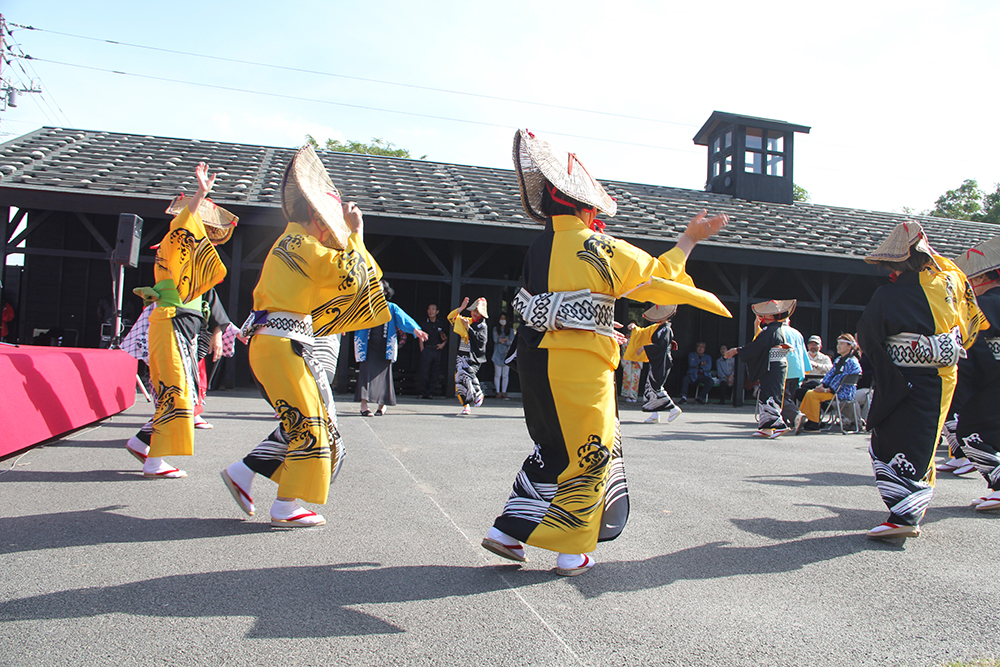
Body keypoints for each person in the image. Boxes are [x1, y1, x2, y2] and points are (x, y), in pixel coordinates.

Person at [482, 129, 730, 576]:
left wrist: (592, 317)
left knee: (553, 447)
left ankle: (508, 531)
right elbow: (655, 279)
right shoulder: (596, 246)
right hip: (577, 365)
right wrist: (689, 239)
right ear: (586, 206)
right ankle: (572, 549)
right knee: (591, 448)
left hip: (536, 358)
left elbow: (555, 302)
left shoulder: (539, 246)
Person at [221, 145, 389, 528]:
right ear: (316, 216)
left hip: (276, 343)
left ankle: (244, 472)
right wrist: (356, 233)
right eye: (326, 223)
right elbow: (352, 276)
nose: (329, 230)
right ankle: (285, 504)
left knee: (302, 419)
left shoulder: (289, 243)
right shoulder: (306, 246)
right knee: (310, 424)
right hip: (283, 345)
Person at [856, 221, 982, 539]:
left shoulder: (890, 294)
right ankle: (908, 511)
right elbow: (970, 326)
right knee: (924, 437)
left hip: (902, 375)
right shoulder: (952, 281)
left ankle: (905, 514)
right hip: (944, 374)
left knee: (894, 439)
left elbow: (868, 334)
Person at [124, 163, 236, 478]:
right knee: (177, 390)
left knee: (180, 390)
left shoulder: (188, 255)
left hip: (180, 325)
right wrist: (200, 194)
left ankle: (142, 441)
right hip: (172, 321)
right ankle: (154, 460)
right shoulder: (177, 239)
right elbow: (185, 224)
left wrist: (222, 329)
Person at [945, 236, 1000, 511]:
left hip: (992, 379)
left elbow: (974, 347)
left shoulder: (983, 305)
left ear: (980, 278)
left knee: (970, 432)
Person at [355, 280, 427, 416]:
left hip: (385, 345)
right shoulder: (365, 307)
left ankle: (381, 405)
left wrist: (415, 330)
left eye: (379, 289)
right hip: (367, 345)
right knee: (365, 373)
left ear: (384, 292)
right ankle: (364, 405)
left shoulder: (392, 307)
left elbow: (403, 319)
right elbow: (352, 318)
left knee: (384, 375)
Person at [725, 300, 795, 438]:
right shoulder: (774, 329)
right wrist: (756, 325)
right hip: (775, 365)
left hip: (772, 365)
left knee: (770, 393)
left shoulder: (771, 330)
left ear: (771, 316)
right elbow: (759, 342)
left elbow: (757, 346)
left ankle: (779, 425)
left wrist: (737, 350)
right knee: (766, 393)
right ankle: (766, 427)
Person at [624, 304, 682, 424]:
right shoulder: (657, 327)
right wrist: (635, 327)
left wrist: (644, 347)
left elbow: (661, 345)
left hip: (662, 361)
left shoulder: (666, 329)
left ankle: (673, 408)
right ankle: (654, 414)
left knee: (656, 387)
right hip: (657, 361)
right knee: (650, 387)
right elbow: (643, 333)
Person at [796, 334, 862, 433]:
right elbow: (829, 374)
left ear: (850, 347)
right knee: (809, 392)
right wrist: (822, 385)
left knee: (813, 395)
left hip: (842, 392)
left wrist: (828, 389)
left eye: (842, 344)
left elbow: (841, 379)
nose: (838, 346)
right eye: (838, 344)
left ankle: (814, 423)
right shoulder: (838, 360)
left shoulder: (852, 362)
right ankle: (807, 419)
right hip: (832, 390)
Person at [448, 296, 489, 414]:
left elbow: (480, 341)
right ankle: (466, 405)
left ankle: (478, 392)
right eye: (473, 311)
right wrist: (461, 308)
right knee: (459, 379)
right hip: (462, 354)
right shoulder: (467, 320)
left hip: (473, 357)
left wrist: (468, 328)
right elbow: (451, 318)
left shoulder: (482, 326)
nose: (474, 314)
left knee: (469, 375)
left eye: (477, 311)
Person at [780, 318, 811, 429]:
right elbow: (803, 351)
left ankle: (796, 416)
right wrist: (805, 368)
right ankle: (787, 422)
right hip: (797, 368)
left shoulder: (777, 331)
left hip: (783, 367)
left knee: (780, 397)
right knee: (789, 397)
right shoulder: (797, 333)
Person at [418, 304, 449, 398]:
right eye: (429, 309)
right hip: (427, 349)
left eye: (433, 309)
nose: (431, 311)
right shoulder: (424, 323)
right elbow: (420, 337)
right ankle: (422, 392)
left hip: (437, 349)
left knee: (435, 372)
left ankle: (430, 393)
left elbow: (446, 337)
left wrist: (443, 345)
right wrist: (422, 349)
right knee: (424, 372)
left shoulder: (441, 323)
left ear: (437, 312)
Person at [619, 321, 642, 403]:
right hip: (628, 361)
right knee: (627, 377)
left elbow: (640, 349)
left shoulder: (639, 338)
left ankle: (633, 396)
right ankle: (627, 395)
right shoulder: (627, 338)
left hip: (636, 362)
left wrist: (635, 358)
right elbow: (624, 349)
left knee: (635, 379)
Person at [492, 314, 513, 398]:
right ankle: (497, 392)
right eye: (501, 318)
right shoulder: (495, 329)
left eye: (504, 318)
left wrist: (500, 339)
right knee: (497, 374)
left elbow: (511, 342)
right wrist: (506, 339)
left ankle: (504, 392)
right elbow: (495, 340)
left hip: (506, 354)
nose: (503, 320)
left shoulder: (510, 330)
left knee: (505, 375)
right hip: (497, 354)